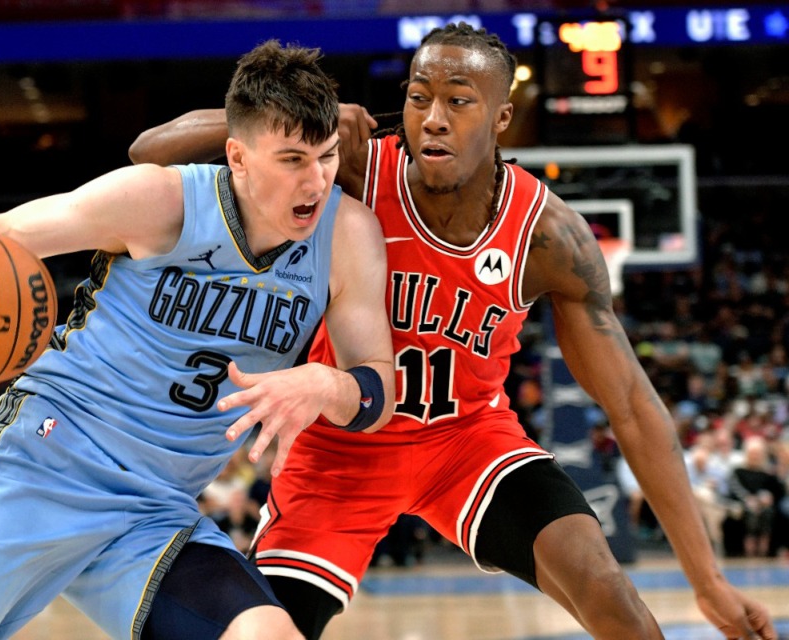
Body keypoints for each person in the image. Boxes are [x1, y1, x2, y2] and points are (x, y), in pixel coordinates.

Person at [129, 23, 775, 640]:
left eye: (458, 101)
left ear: (501, 118)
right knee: (266, 631)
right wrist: (297, 126)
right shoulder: (352, 168)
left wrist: (708, 579)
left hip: (468, 444)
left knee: (609, 592)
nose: (432, 117)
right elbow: (149, 152)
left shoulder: (546, 235)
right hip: (339, 453)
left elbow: (632, 407)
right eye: (418, 97)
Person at [0, 39, 394, 640]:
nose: (316, 180)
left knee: (268, 634)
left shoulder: (347, 233)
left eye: (326, 157)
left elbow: (378, 386)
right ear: (238, 157)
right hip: (44, 460)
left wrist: (328, 383)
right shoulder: (160, 199)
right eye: (292, 159)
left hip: (156, 508)